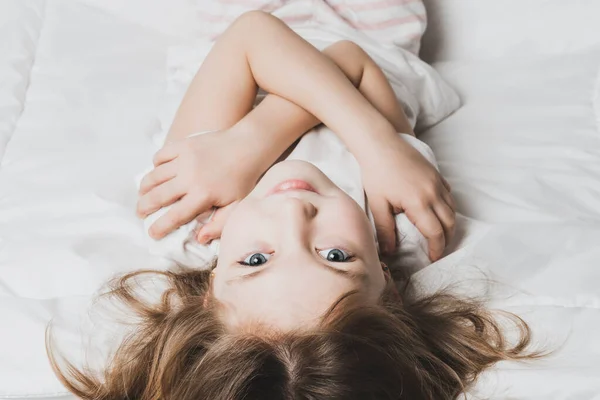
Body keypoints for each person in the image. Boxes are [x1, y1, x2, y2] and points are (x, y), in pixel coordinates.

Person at [47, 11, 540, 399]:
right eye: (336, 256)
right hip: (375, 29)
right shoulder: (400, 218)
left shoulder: (187, 211)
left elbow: (251, 34)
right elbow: (350, 57)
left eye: (257, 260)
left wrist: (252, 141)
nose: (293, 215)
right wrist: (381, 146)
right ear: (386, 283)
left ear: (211, 289)